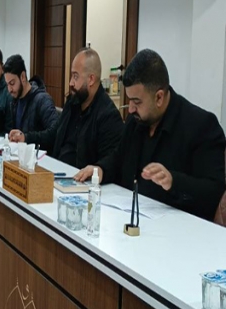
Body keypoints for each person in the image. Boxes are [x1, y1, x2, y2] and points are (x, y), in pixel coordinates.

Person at [75, 49, 226, 221]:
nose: (131, 109)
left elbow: (214, 191)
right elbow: (119, 158)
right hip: (129, 218)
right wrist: (101, 169)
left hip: (178, 227)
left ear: (159, 97)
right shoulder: (135, 121)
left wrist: (173, 181)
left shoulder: (201, 126)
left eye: (136, 102)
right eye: (129, 100)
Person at [9, 47, 123, 168]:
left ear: (91, 79)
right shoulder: (73, 102)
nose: (70, 83)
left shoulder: (108, 116)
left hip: (80, 177)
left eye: (75, 76)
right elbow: (53, 134)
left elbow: (111, 161)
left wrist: (99, 169)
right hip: (57, 168)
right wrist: (26, 137)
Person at [4, 54, 59, 135]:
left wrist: (26, 137)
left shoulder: (42, 100)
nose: (9, 89)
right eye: (7, 84)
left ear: (22, 77)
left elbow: (55, 131)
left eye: (12, 83)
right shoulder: (14, 101)